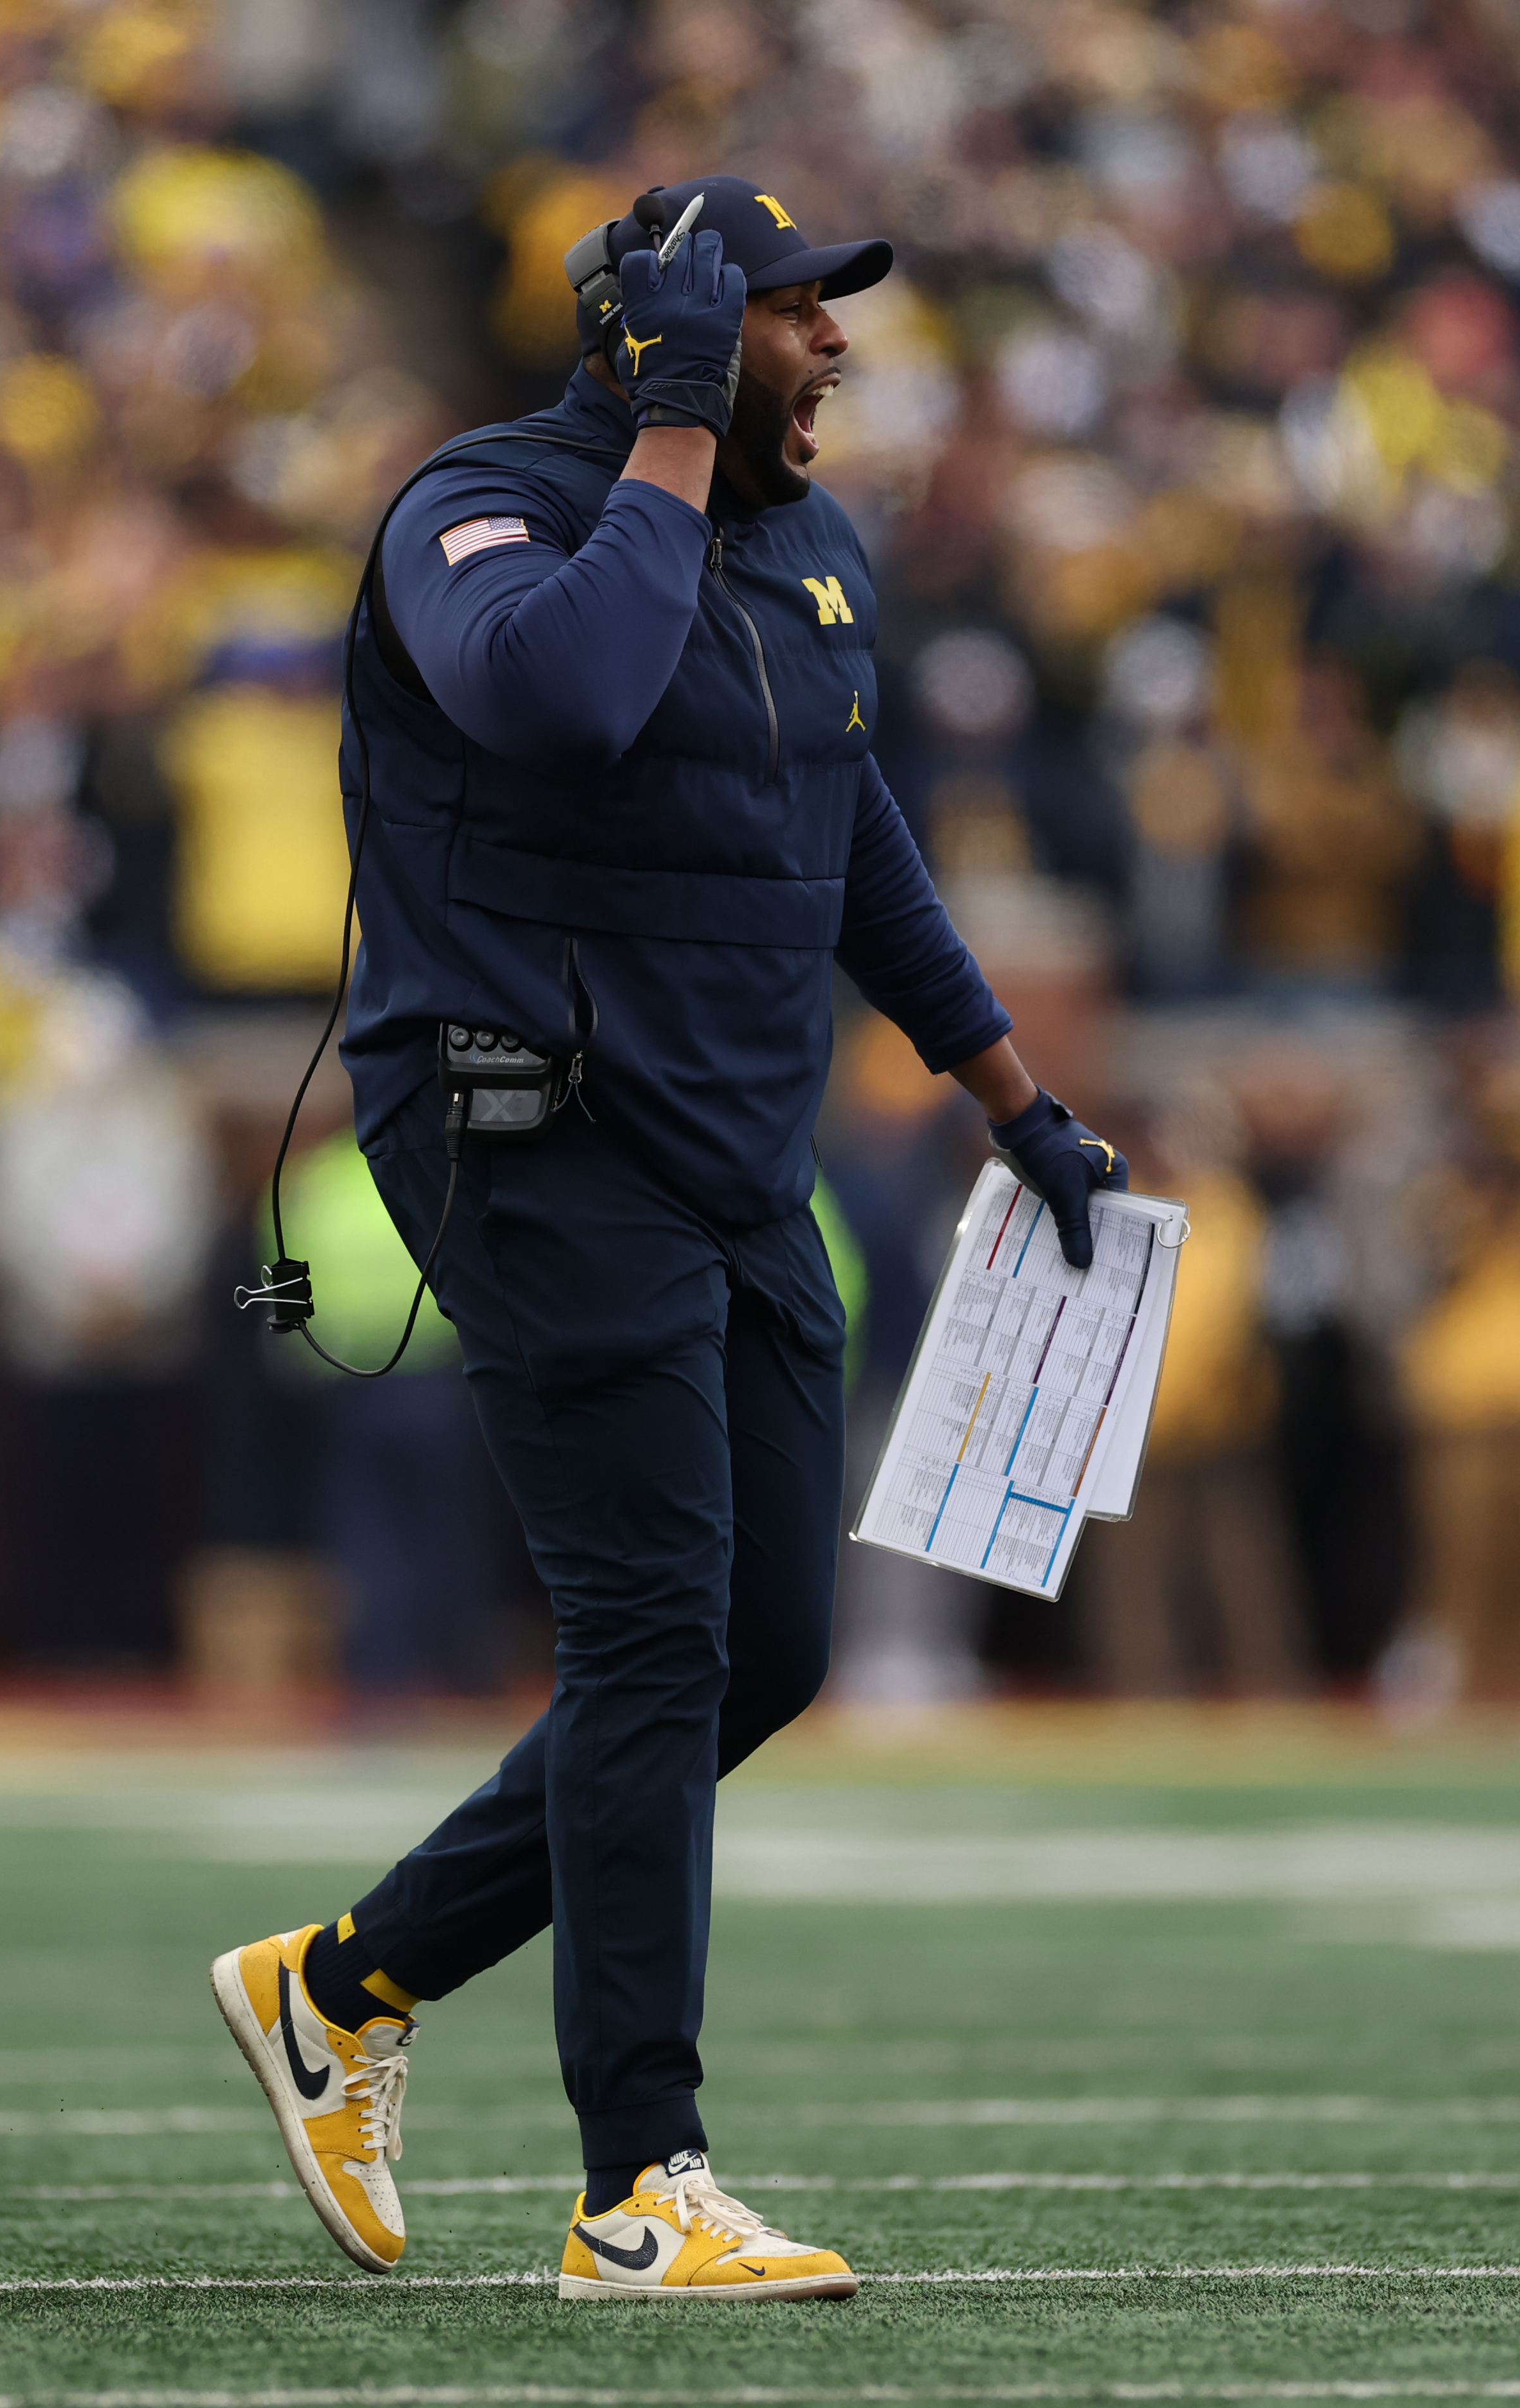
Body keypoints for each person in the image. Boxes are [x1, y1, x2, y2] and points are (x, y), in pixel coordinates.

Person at [209, 176, 1126, 2303]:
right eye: (793, 314)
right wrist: (675, 427)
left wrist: (1009, 1092)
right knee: (649, 1635)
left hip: (730, 1148)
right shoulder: (479, 505)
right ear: (669, 336)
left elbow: (848, 818)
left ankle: (347, 1984)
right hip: (527, 1135)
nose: (835, 348)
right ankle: (643, 2181)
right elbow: (559, 699)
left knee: (766, 1650)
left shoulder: (808, 546)